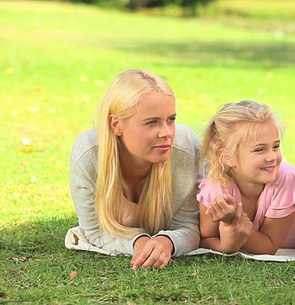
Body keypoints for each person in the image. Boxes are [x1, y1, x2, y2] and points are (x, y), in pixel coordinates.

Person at [67, 69, 202, 269]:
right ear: (116, 124)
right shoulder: (88, 154)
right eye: (152, 122)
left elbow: (190, 226)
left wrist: (168, 242)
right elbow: (94, 230)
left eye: (171, 119)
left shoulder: (185, 149)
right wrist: (138, 243)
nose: (166, 133)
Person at [197, 100, 295, 254]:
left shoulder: (287, 177)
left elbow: (268, 247)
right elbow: (206, 239)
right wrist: (227, 247)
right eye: (260, 149)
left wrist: (233, 221)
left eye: (276, 146)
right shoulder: (216, 188)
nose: (272, 157)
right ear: (228, 157)